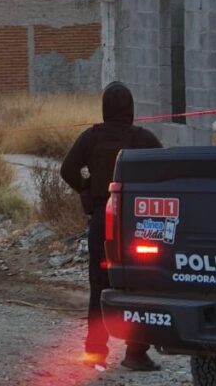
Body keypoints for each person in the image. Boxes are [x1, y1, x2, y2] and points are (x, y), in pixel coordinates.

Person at [60, 81, 162, 372]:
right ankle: (135, 353)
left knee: (100, 286)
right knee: (139, 286)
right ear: (130, 108)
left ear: (105, 107)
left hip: (102, 222)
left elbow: (67, 169)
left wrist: (87, 190)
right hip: (135, 226)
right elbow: (164, 170)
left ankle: (95, 351)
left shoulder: (91, 137)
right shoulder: (143, 138)